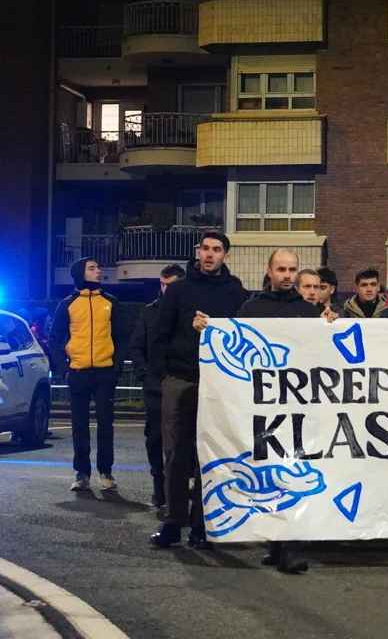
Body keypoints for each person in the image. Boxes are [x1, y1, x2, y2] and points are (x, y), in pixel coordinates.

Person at [235, 249, 337, 574]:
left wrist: (329, 328)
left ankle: (292, 547)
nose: (287, 275)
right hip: (263, 407)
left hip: (296, 408)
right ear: (270, 271)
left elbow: (321, 353)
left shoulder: (307, 311)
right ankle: (277, 543)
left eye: (292, 269)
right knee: (269, 474)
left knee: (294, 472)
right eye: (281, 269)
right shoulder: (251, 309)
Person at [147, 232, 249, 550]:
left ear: (226, 256)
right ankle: (173, 522)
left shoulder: (236, 292)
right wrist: (162, 378)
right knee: (176, 455)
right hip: (181, 380)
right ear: (198, 252)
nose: (209, 254)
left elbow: (246, 334)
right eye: (205, 248)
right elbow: (158, 334)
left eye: (216, 249)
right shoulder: (179, 290)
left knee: (211, 456)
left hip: (218, 385)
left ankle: (202, 526)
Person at [50, 257, 129, 492]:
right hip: (78, 372)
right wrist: (65, 370)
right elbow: (55, 339)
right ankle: (82, 473)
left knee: (105, 423)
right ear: (80, 274)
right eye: (92, 268)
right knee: (79, 425)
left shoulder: (110, 302)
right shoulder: (68, 304)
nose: (98, 271)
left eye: (97, 267)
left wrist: (116, 366)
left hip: (105, 372)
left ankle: (106, 472)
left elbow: (121, 337)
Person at [129, 263, 185, 509]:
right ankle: (158, 484)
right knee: (154, 438)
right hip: (155, 387)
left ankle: (180, 486)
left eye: (169, 285)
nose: (165, 289)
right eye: (162, 285)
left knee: (182, 439)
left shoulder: (188, 312)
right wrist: (144, 373)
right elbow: (136, 346)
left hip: (182, 385)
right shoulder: (149, 312)